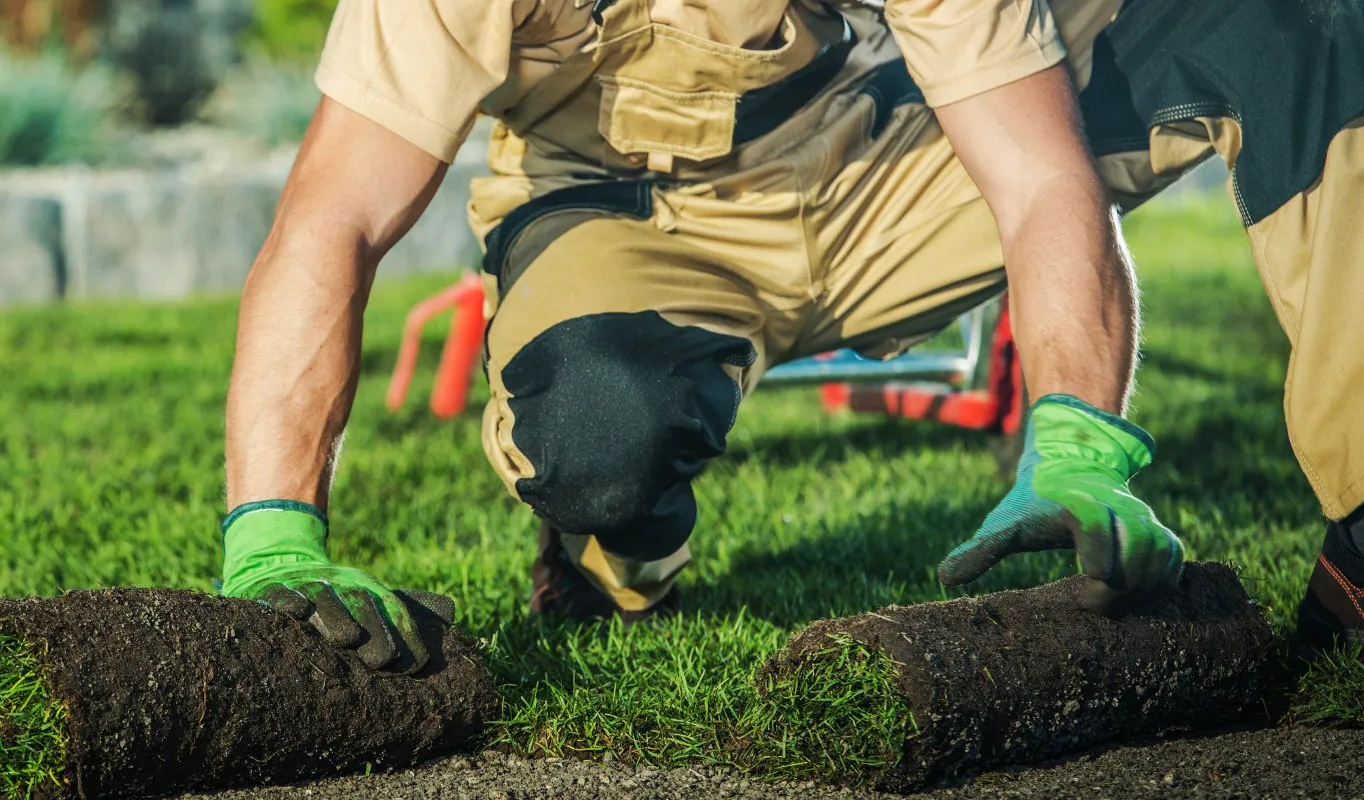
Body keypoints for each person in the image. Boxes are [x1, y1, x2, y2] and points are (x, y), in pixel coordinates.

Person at [214, 0, 1364, 672]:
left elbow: (1031, 177)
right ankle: (615, 548)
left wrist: (1074, 437)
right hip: (626, 211)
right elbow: (336, 216)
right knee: (600, 434)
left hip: (876, 156)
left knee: (1286, 22)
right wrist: (272, 529)